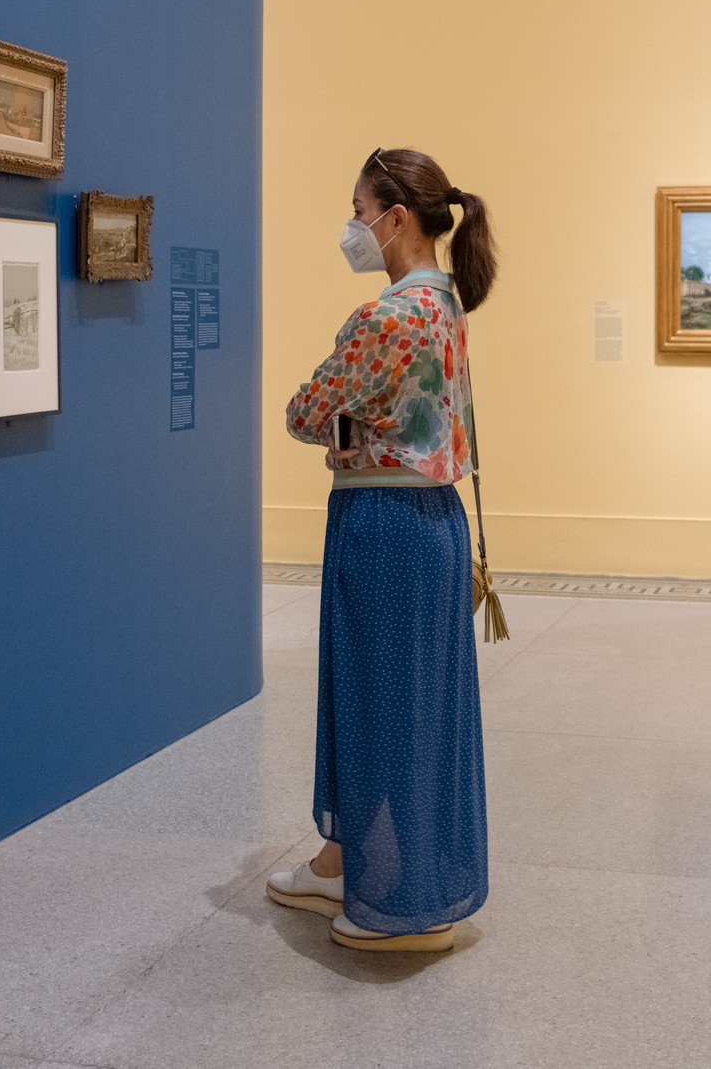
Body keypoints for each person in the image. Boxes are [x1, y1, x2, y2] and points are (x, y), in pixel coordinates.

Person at [266, 147, 499, 953]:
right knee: (412, 704)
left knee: (381, 709)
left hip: (384, 528)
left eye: (359, 209)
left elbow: (303, 410)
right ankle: (341, 857)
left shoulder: (386, 317)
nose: (353, 225)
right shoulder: (446, 306)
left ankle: (406, 901)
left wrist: (342, 428)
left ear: (397, 217)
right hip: (435, 522)